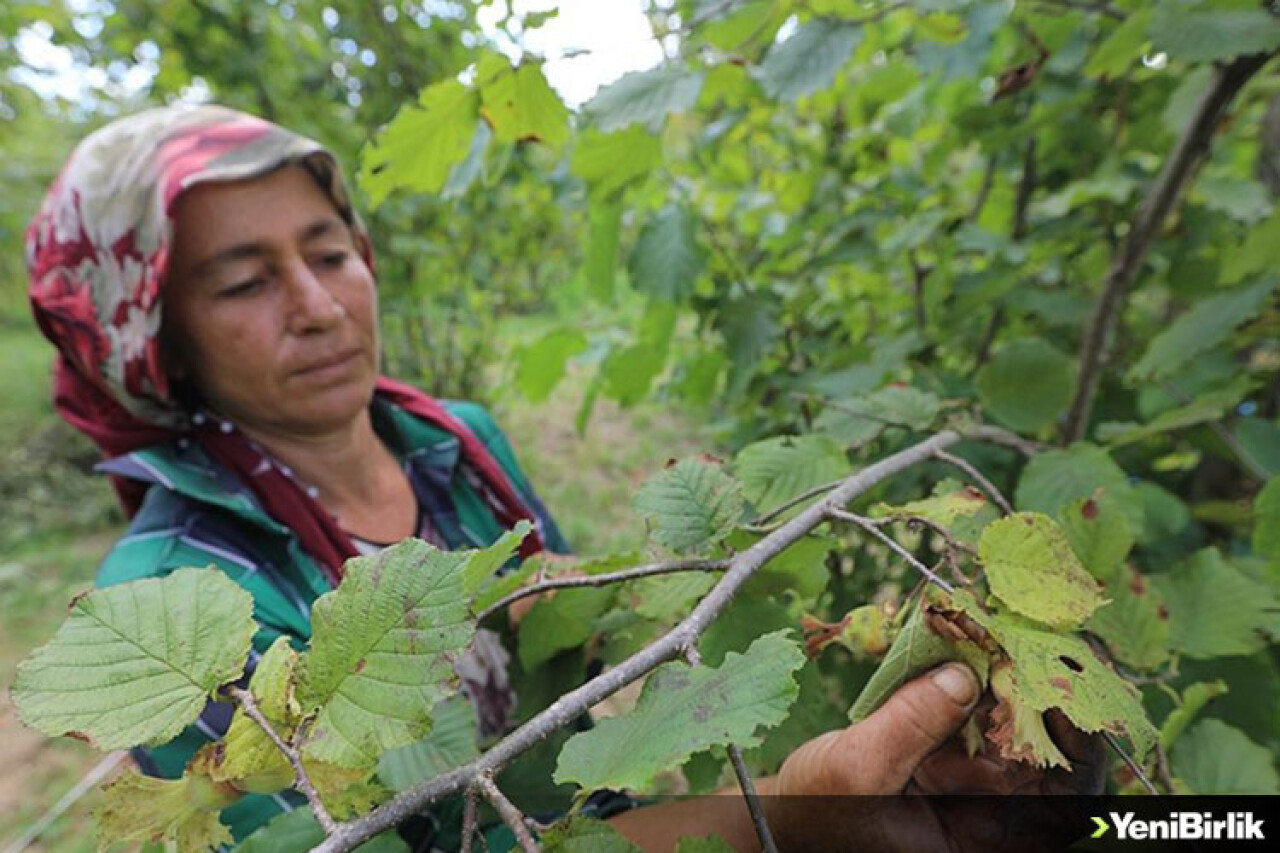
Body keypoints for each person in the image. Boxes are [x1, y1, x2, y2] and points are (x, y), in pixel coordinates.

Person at [28, 104, 1101, 852]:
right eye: (246, 281)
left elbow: (567, 637)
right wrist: (790, 813)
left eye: (329, 249)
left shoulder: (460, 441)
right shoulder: (174, 601)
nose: (315, 303)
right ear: (151, 337)